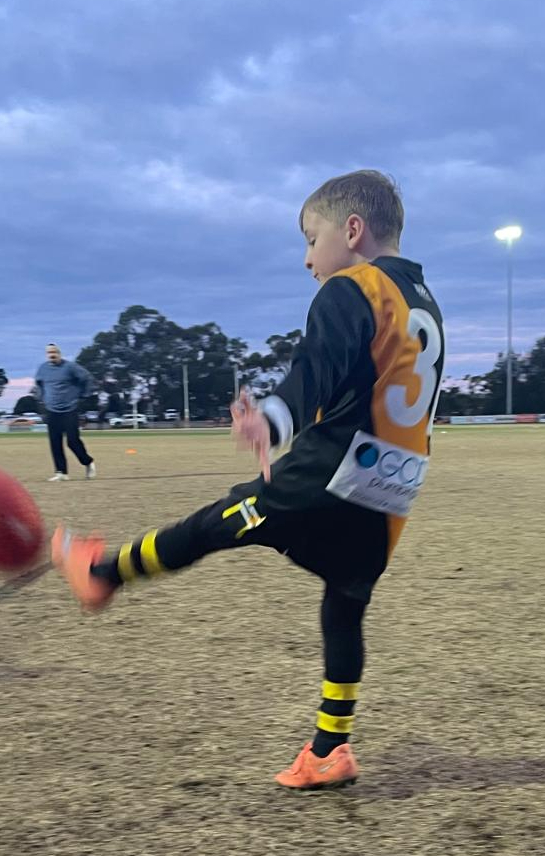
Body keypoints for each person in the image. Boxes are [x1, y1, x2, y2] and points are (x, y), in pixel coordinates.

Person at [51, 170, 445, 789]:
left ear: (352, 231)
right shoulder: (423, 299)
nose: (308, 259)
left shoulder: (352, 287)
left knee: (216, 523)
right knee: (344, 603)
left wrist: (273, 417)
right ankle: (329, 751)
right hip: (394, 488)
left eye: (311, 240)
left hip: (332, 473)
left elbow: (314, 370)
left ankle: (103, 574)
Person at [35, 343, 96, 482]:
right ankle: (61, 472)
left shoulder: (70, 367)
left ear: (59, 353)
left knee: (72, 441)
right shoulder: (43, 369)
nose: (52, 355)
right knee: (55, 442)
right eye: (49, 352)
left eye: (54, 352)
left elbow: (86, 377)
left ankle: (87, 462)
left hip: (70, 409)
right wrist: (41, 398)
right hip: (51, 410)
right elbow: (39, 384)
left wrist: (84, 394)